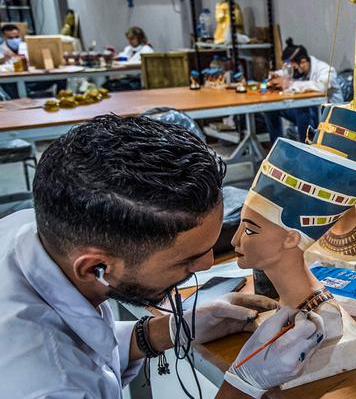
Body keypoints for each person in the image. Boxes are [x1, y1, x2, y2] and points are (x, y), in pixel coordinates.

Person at [0, 115, 326, 398]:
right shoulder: (46, 386)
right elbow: (66, 363)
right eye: (186, 261)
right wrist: (246, 384)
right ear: (95, 267)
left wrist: (169, 330)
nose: (208, 264)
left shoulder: (37, 226)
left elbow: (82, 344)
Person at [264, 42, 342, 142]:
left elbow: (322, 86)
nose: (292, 72)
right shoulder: (298, 69)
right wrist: (275, 76)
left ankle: (306, 147)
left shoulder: (326, 70)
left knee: (303, 110)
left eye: (294, 69)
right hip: (309, 112)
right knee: (272, 108)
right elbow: (285, 73)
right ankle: (276, 146)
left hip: (327, 116)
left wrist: (290, 84)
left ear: (303, 62)